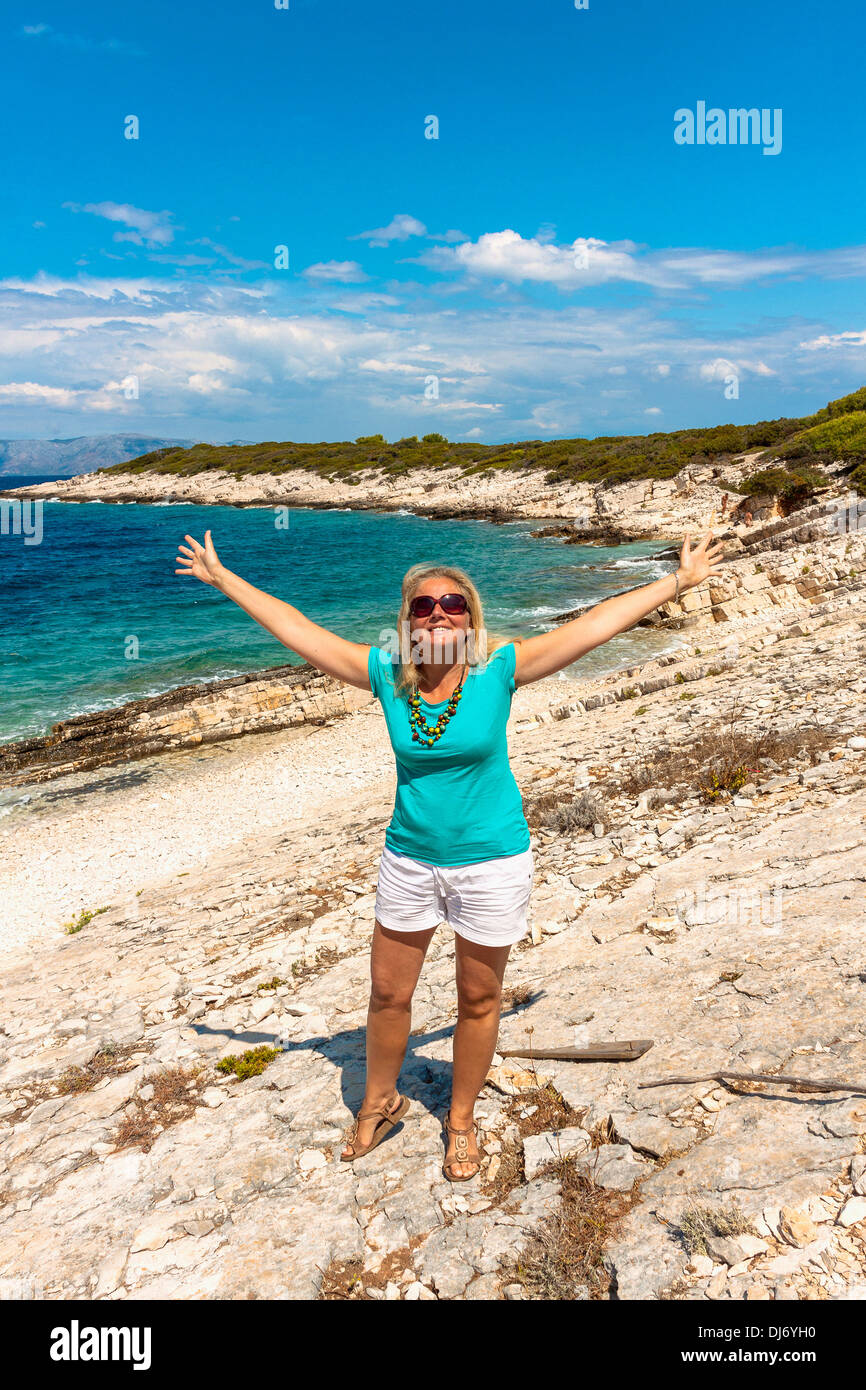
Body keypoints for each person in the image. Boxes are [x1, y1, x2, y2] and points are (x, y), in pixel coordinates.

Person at [175, 527, 724, 1180]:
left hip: (491, 862)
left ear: (471, 618)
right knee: (386, 995)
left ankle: (459, 1118)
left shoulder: (500, 671)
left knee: (477, 999)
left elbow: (593, 627)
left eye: (453, 604)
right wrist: (223, 577)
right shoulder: (385, 676)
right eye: (424, 605)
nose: (439, 612)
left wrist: (677, 583)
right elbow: (297, 628)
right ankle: (380, 1102)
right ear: (406, 621)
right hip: (409, 861)